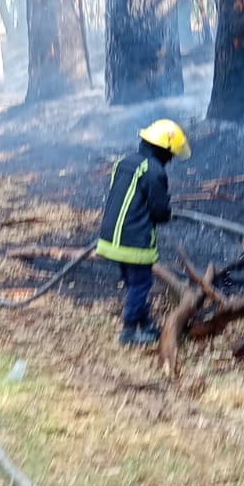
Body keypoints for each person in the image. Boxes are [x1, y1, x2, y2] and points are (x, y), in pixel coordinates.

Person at [97, 119, 191, 345]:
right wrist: (168, 212)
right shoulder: (154, 171)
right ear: (163, 150)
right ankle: (129, 331)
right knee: (140, 284)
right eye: (171, 155)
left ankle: (145, 322)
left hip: (111, 236)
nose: (170, 160)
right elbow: (159, 211)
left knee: (134, 283)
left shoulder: (123, 162)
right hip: (134, 239)